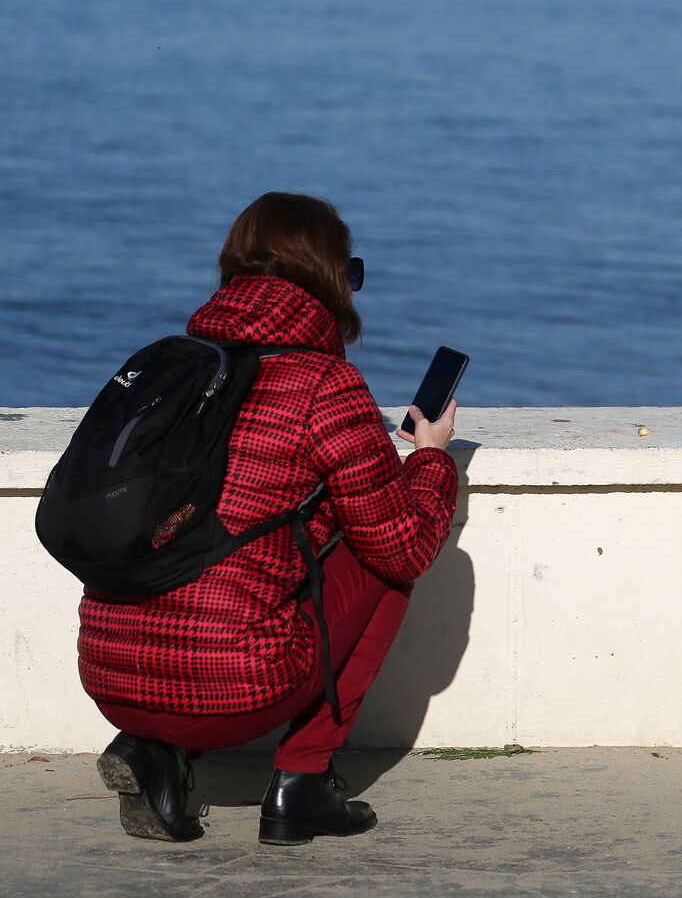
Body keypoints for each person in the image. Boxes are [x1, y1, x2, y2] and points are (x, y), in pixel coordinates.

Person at [78, 192, 460, 845]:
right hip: (233, 694)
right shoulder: (323, 386)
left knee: (211, 563)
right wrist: (430, 461)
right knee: (387, 560)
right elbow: (403, 545)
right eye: (351, 274)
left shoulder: (173, 368)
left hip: (111, 676)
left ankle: (156, 754)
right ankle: (300, 785)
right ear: (330, 282)